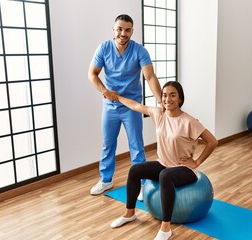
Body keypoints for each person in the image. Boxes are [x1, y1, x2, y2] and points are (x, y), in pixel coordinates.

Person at [110, 81, 218, 240]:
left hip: (185, 169)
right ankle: (129, 213)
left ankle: (166, 228)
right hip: (164, 163)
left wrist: (196, 162)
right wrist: (116, 97)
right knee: (135, 170)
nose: (168, 99)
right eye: (165, 95)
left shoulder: (189, 121)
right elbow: (135, 105)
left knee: (165, 176)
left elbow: (213, 141)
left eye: (172, 95)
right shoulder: (159, 114)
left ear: (180, 99)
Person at [88, 14, 162, 196]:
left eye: (127, 30)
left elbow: (150, 76)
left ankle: (143, 185)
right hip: (110, 106)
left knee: (136, 145)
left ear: (132, 31)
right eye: (120, 29)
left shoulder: (139, 51)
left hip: (132, 106)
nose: (123, 33)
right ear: (113, 29)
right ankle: (106, 180)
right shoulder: (104, 48)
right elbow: (92, 74)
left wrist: (161, 101)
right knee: (108, 144)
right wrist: (105, 91)